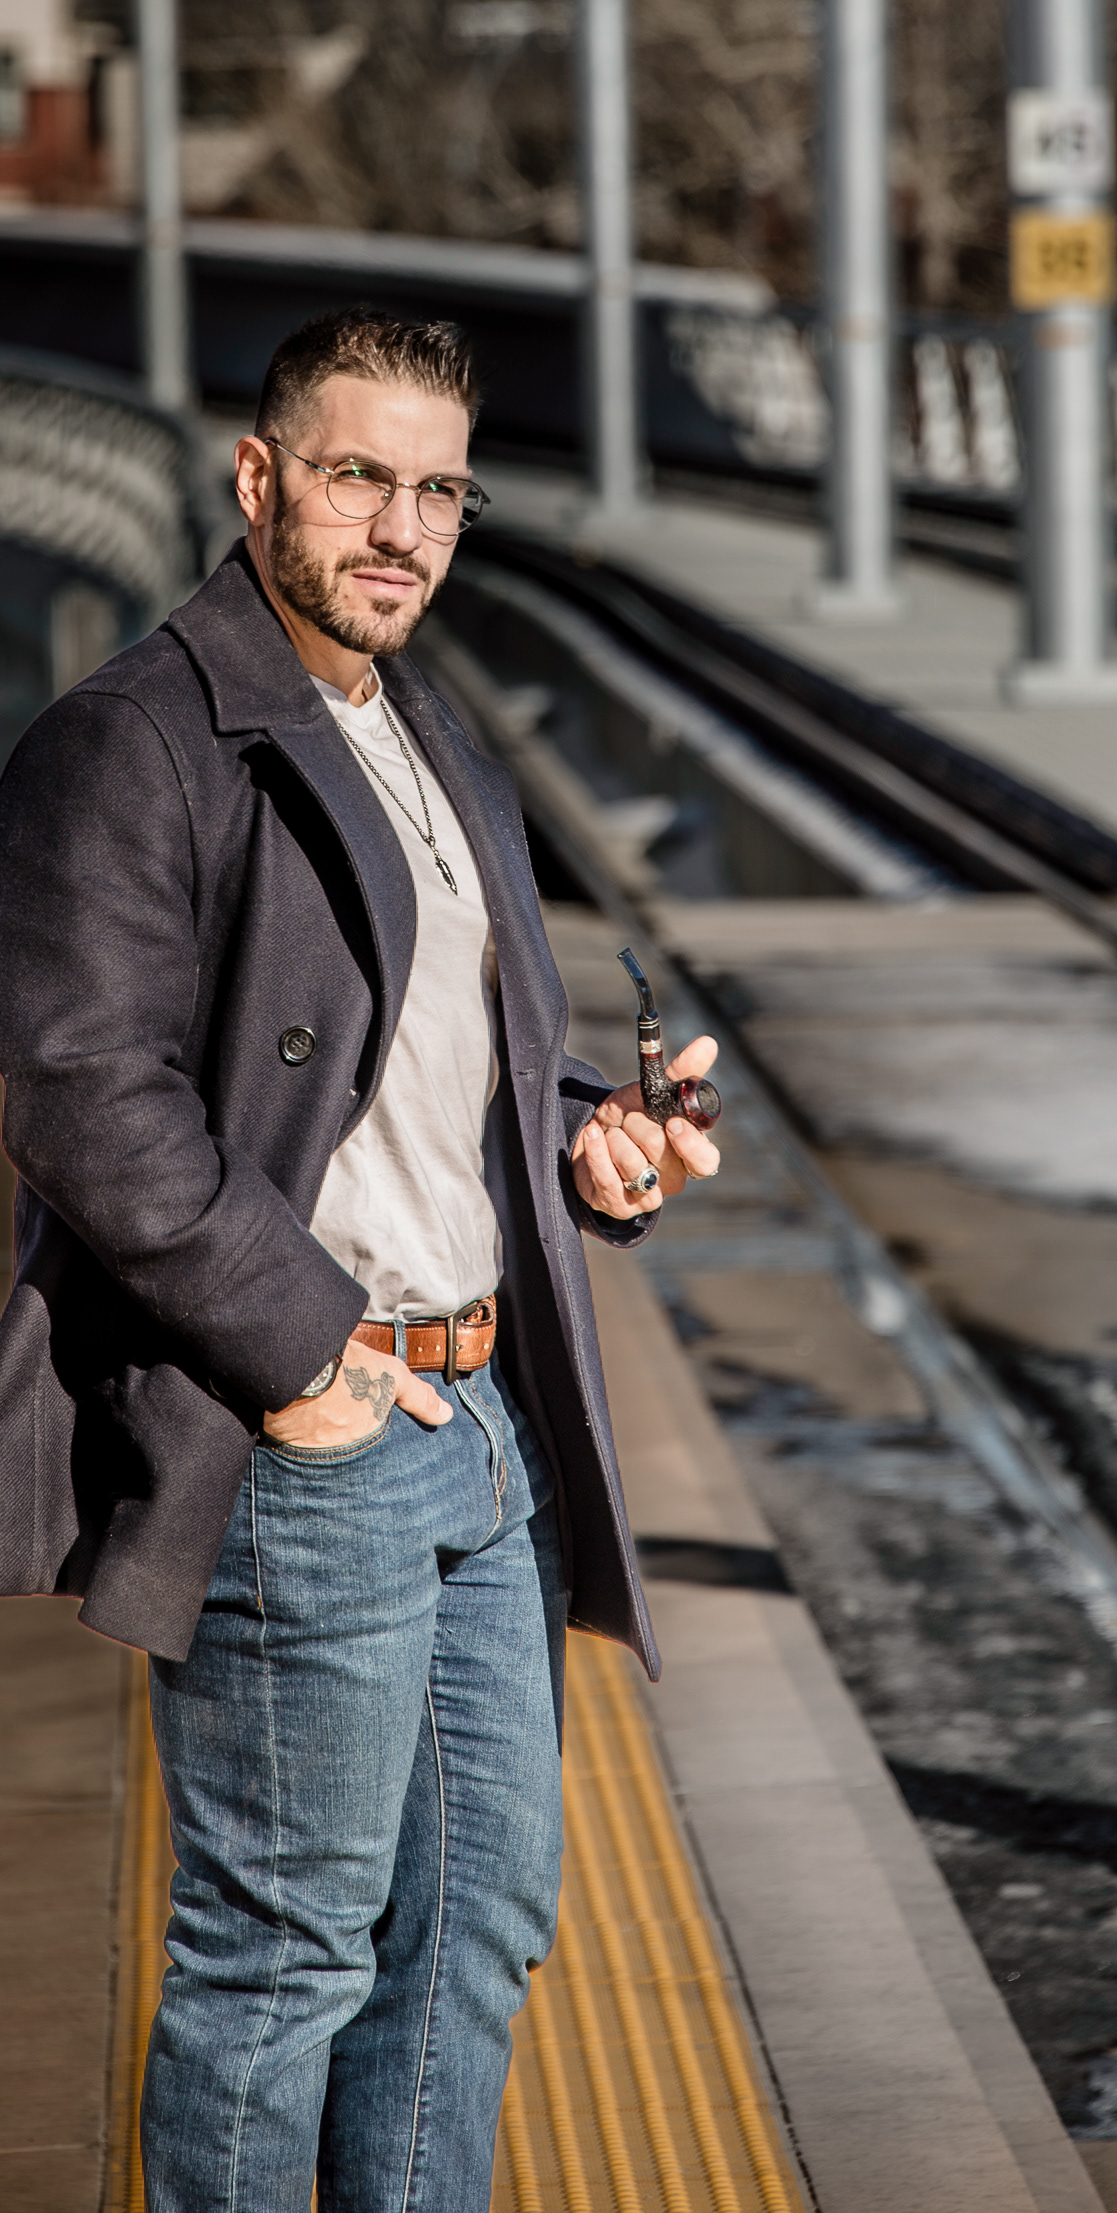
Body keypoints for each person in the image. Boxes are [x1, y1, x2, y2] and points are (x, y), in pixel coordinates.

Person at [0, 305, 720, 2210]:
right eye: (357, 478)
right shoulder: (134, 739)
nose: (402, 528)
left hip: (479, 1425)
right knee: (284, 1958)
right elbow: (82, 1092)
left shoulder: (423, 729)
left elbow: (435, 1048)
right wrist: (313, 1364)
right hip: (308, 1433)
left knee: (474, 1926)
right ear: (260, 480)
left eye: (439, 491)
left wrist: (587, 1131)